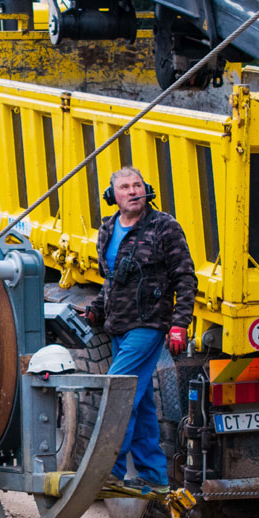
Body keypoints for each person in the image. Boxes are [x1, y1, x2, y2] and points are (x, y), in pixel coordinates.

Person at [84, 166, 197, 495]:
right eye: (124, 187)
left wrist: (179, 323)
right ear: (112, 197)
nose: (133, 191)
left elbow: (185, 278)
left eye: (137, 185)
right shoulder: (107, 229)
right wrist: (96, 308)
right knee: (142, 401)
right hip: (118, 327)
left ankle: (109, 470)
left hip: (149, 326)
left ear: (146, 189)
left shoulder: (164, 227)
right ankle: (155, 475)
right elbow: (112, 279)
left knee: (118, 393)